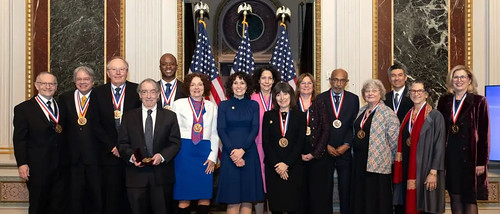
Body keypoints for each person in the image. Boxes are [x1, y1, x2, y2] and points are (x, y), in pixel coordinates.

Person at [118, 78, 181, 214]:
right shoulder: (128, 117)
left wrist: (162, 156)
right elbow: (122, 143)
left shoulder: (170, 116)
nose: (149, 96)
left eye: (153, 92)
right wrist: (131, 156)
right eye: (144, 92)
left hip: (161, 176)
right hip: (136, 177)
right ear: (139, 95)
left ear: (158, 94)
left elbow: (175, 142)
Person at [437, 65, 490, 214]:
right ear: (451, 80)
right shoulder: (444, 101)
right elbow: (440, 130)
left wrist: (481, 162)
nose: (459, 80)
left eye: (462, 77)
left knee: (469, 199)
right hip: (451, 158)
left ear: (469, 80)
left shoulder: (479, 101)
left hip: (471, 159)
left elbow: (484, 133)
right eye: (455, 77)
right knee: (455, 197)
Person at [13, 72, 67, 214]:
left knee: (59, 205)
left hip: (61, 166)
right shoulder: (23, 109)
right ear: (37, 85)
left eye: (52, 84)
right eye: (44, 83)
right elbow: (19, 139)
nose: (48, 87)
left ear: (56, 87)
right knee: (38, 204)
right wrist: (22, 163)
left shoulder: (63, 106)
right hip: (37, 167)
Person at [93, 56, 141, 214]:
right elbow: (95, 124)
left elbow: (141, 122)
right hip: (108, 156)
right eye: (114, 69)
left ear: (127, 72)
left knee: (132, 198)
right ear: (108, 72)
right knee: (111, 199)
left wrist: (126, 148)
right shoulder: (97, 93)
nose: (118, 72)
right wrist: (112, 146)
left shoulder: (138, 91)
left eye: (122, 69)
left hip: (132, 155)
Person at [393, 80, 446, 214]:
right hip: (407, 167)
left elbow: (439, 145)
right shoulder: (407, 115)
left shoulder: (434, 116)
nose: (416, 94)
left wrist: (433, 172)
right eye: (413, 91)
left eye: (419, 91)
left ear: (426, 94)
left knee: (424, 207)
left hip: (425, 169)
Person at [216, 72, 265, 214]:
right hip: (230, 155)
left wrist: (242, 150)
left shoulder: (253, 105)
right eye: (235, 83)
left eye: (242, 83)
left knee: (247, 198)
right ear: (231, 86)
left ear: (247, 86)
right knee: (233, 199)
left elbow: (255, 128)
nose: (239, 86)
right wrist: (234, 153)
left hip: (249, 153)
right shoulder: (223, 105)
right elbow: (221, 129)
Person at [172, 73, 219, 214]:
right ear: (187, 87)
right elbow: (173, 132)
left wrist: (213, 156)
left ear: (204, 87)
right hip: (183, 153)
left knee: (204, 197)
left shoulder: (211, 106)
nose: (196, 87)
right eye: (193, 84)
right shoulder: (178, 104)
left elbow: (215, 133)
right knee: (184, 197)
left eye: (199, 84)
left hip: (205, 153)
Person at [350, 79, 399, 214]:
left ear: (381, 93)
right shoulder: (362, 110)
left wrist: (389, 160)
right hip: (359, 161)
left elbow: (394, 141)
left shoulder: (387, 113)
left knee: (376, 200)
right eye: (367, 91)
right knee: (361, 197)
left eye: (374, 91)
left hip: (378, 164)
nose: (370, 93)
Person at [58, 66, 102, 214]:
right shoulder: (65, 98)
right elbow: (61, 128)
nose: (83, 82)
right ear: (74, 81)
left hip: (96, 158)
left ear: (93, 81)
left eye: (86, 79)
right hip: (72, 159)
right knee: (74, 199)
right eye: (79, 79)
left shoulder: (100, 96)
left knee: (96, 198)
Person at [315, 68, 359, 214]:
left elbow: (353, 125)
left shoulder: (353, 99)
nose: (338, 84)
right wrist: (325, 145)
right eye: (335, 79)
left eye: (342, 80)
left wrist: (347, 145)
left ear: (346, 82)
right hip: (325, 150)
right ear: (330, 80)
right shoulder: (320, 98)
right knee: (325, 188)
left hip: (344, 151)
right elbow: (318, 126)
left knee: (346, 188)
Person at [262, 82, 306, 213]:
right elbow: (266, 142)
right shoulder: (268, 115)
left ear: (291, 96)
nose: (282, 97)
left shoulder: (300, 116)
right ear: (274, 97)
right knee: (276, 206)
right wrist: (278, 165)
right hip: (273, 168)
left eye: (285, 93)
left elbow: (300, 142)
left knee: (294, 206)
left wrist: (286, 164)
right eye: (278, 94)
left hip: (293, 167)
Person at [295, 73, 330, 214]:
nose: (306, 86)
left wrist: (314, 153)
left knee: (317, 196)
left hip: (318, 156)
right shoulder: (292, 104)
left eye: (309, 83)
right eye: (303, 83)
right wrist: (298, 154)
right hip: (297, 157)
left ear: (313, 87)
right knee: (300, 195)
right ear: (298, 86)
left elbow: (326, 129)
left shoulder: (320, 103)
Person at [250, 65, 281, 214]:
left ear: (274, 80)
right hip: (255, 146)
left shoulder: (280, 98)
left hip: (275, 147)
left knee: (272, 181)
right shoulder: (251, 97)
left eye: (270, 78)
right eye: (264, 78)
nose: (267, 81)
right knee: (258, 182)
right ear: (259, 80)